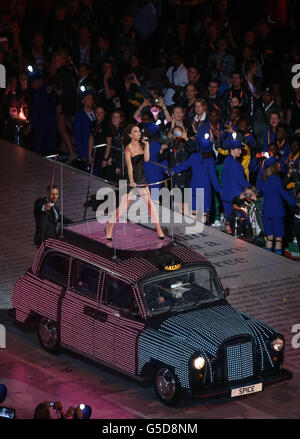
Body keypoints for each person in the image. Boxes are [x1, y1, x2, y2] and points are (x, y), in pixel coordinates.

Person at [105, 124, 165, 240]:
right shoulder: (128, 149)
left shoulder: (141, 144)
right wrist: (132, 181)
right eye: (136, 132)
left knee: (150, 204)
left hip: (141, 178)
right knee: (123, 207)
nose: (139, 133)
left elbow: (147, 159)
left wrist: (147, 145)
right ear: (130, 135)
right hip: (129, 179)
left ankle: (158, 229)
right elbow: (129, 167)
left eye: (139, 131)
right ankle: (109, 227)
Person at [170, 135, 222, 223]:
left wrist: (171, 170)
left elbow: (183, 166)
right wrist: (220, 190)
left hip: (193, 188)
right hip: (205, 191)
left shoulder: (193, 156)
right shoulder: (210, 161)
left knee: (192, 216)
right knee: (203, 218)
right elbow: (214, 179)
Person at [262, 159, 297, 255]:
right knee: (278, 239)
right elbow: (283, 193)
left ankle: (268, 259)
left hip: (266, 211)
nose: (279, 164)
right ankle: (277, 262)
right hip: (277, 212)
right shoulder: (276, 179)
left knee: (269, 237)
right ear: (274, 166)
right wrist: (295, 203)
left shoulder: (264, 179)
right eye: (277, 163)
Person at [221, 137, 251, 233]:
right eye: (238, 149)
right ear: (231, 150)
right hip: (236, 198)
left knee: (229, 224)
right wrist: (253, 189)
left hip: (227, 195)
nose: (240, 152)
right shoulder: (235, 164)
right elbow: (241, 180)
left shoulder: (227, 160)